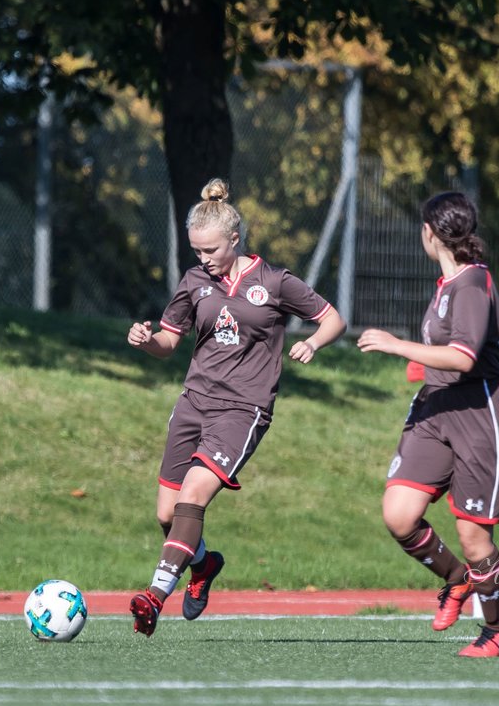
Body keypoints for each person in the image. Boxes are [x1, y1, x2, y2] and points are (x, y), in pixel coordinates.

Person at [125, 178, 346, 636]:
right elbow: (171, 341)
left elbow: (331, 318)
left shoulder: (275, 281)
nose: (203, 260)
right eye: (196, 251)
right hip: (193, 403)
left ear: (234, 239)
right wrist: (148, 342)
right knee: (167, 515)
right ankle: (203, 566)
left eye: (210, 251)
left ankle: (155, 596)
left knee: (192, 498)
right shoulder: (194, 282)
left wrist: (314, 344)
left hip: (242, 410)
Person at [356, 191, 499, 657]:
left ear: (429, 233)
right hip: (435, 408)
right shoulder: (449, 284)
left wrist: (396, 345)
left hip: (477, 414)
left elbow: (464, 357)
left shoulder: (471, 283)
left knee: (473, 534)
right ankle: (455, 578)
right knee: (399, 514)